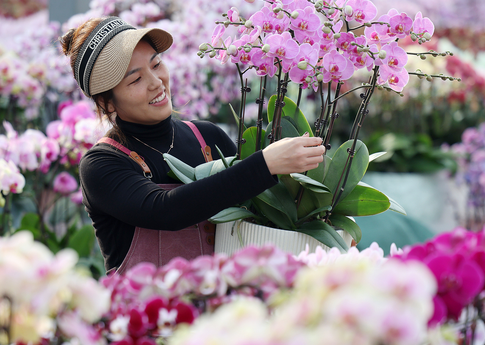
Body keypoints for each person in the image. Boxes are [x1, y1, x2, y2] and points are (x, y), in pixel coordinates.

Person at [61, 16, 325, 274]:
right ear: (107, 103)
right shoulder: (102, 164)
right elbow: (166, 210)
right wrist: (266, 164)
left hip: (225, 311)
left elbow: (265, 211)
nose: (156, 83)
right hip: (150, 314)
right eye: (135, 80)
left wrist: (323, 224)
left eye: (156, 65)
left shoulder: (207, 138)